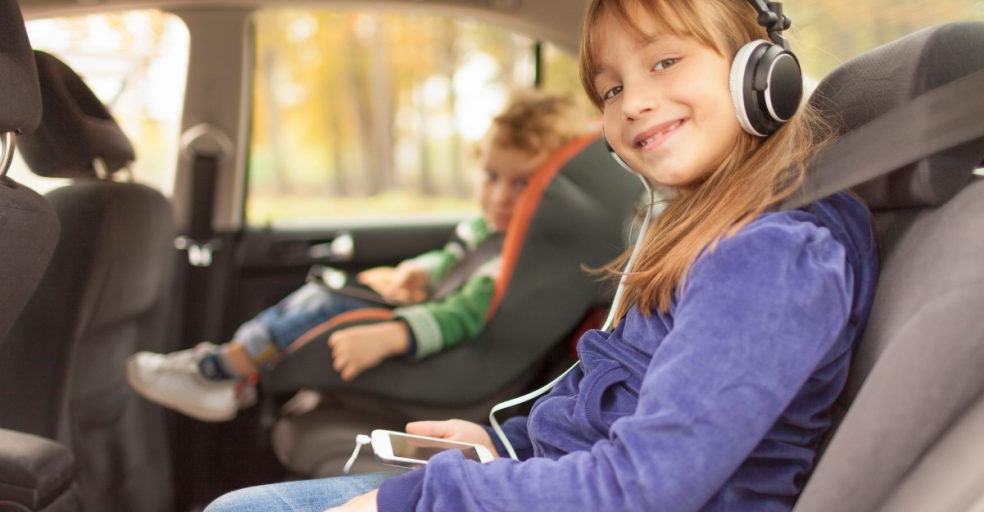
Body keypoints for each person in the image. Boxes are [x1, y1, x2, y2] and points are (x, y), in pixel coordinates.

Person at [204, 0, 879, 510]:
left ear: (761, 74)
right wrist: (503, 446)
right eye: (611, 88)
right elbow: (614, 406)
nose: (635, 102)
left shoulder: (769, 259)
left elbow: (641, 487)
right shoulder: (706, 234)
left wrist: (410, 501)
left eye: (665, 61)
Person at [126, 90, 591, 422]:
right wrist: (415, 272)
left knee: (323, 305)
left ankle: (219, 372)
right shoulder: (487, 233)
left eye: (522, 184)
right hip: (418, 313)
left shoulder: (514, 259)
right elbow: (452, 260)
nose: (499, 196)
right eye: (491, 175)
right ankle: (231, 372)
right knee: (313, 295)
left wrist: (391, 335)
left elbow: (460, 316)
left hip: (427, 346)